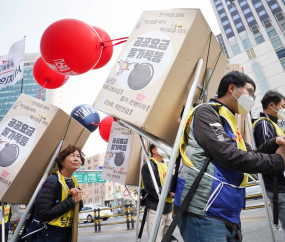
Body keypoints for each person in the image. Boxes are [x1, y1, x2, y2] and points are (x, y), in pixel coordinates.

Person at [174, 71, 285, 242]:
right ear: (232, 88)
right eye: (249, 91)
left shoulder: (229, 120)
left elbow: (247, 154)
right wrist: (277, 161)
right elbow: (229, 155)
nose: (252, 98)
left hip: (226, 210)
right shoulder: (206, 113)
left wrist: (272, 144)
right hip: (203, 210)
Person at [35, 145, 84, 242]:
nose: (76, 159)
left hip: (67, 233)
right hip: (50, 235)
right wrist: (72, 200)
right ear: (62, 161)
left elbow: (78, 206)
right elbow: (44, 214)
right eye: (72, 155)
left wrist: (77, 197)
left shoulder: (74, 181)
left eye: (78, 156)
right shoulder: (52, 181)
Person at [253, 90, 285, 233]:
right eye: (283, 106)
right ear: (272, 106)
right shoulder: (264, 124)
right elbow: (268, 156)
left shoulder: (273, 124)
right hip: (277, 185)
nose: (284, 110)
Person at [141, 144, 175, 242]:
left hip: (168, 208)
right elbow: (150, 187)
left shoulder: (166, 165)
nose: (163, 148)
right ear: (153, 150)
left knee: (167, 239)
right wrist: (169, 194)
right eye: (159, 146)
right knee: (156, 239)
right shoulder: (148, 165)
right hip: (155, 209)